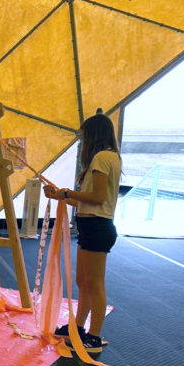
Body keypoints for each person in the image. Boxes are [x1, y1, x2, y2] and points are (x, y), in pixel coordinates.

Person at [43, 110, 121, 353]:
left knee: (94, 284)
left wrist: (68, 193)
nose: (83, 142)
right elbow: (88, 201)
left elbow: (97, 198)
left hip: (98, 227)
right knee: (83, 282)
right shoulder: (106, 158)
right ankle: (78, 327)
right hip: (91, 225)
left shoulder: (102, 158)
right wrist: (61, 196)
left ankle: (94, 337)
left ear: (94, 136)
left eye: (85, 137)